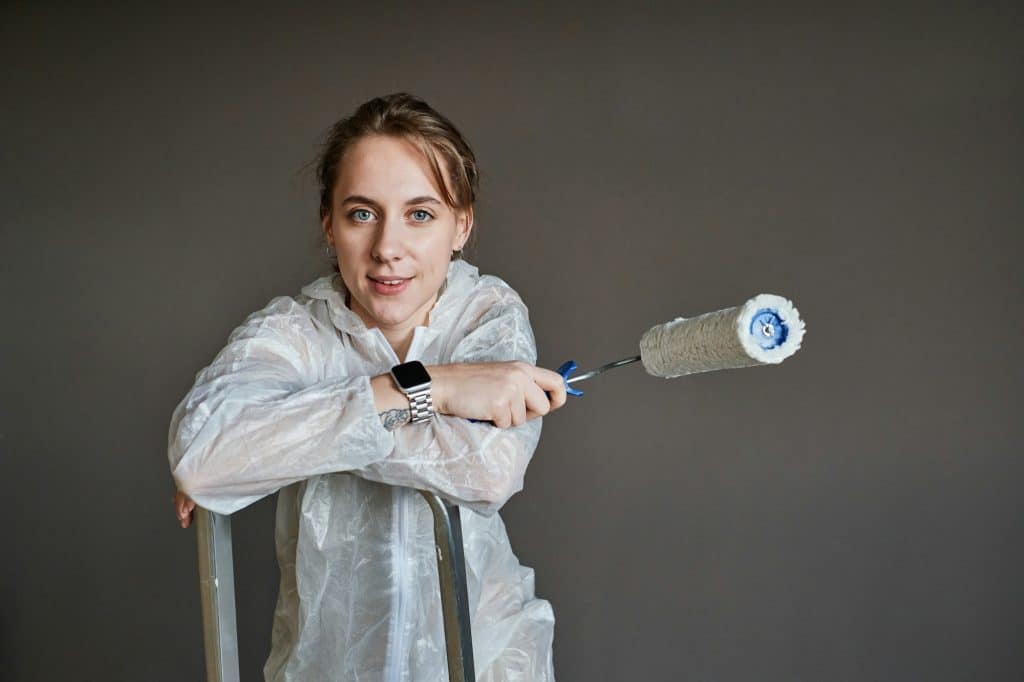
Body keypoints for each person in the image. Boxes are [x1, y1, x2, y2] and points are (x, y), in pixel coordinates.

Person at [167, 92, 567, 681]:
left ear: (463, 225)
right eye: (362, 213)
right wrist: (433, 388)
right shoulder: (295, 332)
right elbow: (203, 455)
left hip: (488, 660)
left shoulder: (487, 315)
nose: (387, 248)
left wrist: (284, 445)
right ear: (328, 224)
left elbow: (486, 471)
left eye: (420, 214)